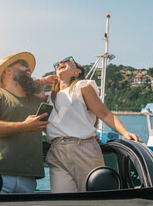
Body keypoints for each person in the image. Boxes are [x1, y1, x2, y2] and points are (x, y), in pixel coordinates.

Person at [45, 56, 140, 193]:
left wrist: (125, 132)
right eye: (58, 63)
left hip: (83, 148)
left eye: (67, 60)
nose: (60, 62)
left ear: (77, 71)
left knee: (91, 199)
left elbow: (105, 114)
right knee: (62, 203)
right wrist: (43, 81)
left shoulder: (82, 86)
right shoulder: (49, 96)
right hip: (57, 152)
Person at [0, 51, 55, 194]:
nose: (29, 69)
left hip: (29, 177)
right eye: (24, 65)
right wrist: (24, 126)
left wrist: (89, 135)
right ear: (8, 70)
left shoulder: (37, 99)